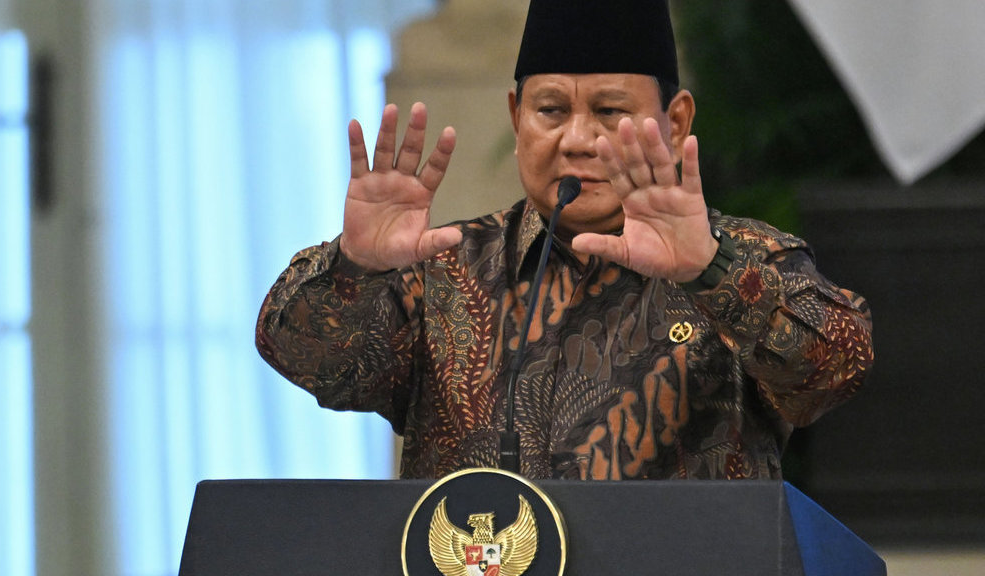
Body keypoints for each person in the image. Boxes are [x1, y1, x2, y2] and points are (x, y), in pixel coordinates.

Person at [255, 0, 873, 480]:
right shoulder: (444, 268)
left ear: (676, 119)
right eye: (550, 110)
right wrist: (354, 266)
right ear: (515, 116)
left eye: (609, 111)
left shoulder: (744, 257)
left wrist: (709, 271)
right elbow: (310, 362)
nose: (578, 140)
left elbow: (836, 370)